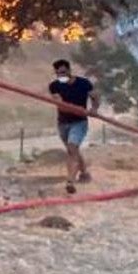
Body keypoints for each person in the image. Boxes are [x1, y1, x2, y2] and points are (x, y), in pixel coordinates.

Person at [48, 59, 100, 193]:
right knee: (73, 150)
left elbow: (95, 96)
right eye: (59, 73)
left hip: (79, 123)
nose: (62, 76)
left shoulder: (84, 83)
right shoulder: (54, 86)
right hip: (63, 123)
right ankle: (84, 173)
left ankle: (70, 181)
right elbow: (61, 106)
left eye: (64, 72)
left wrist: (94, 109)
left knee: (72, 148)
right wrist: (78, 109)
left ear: (70, 70)